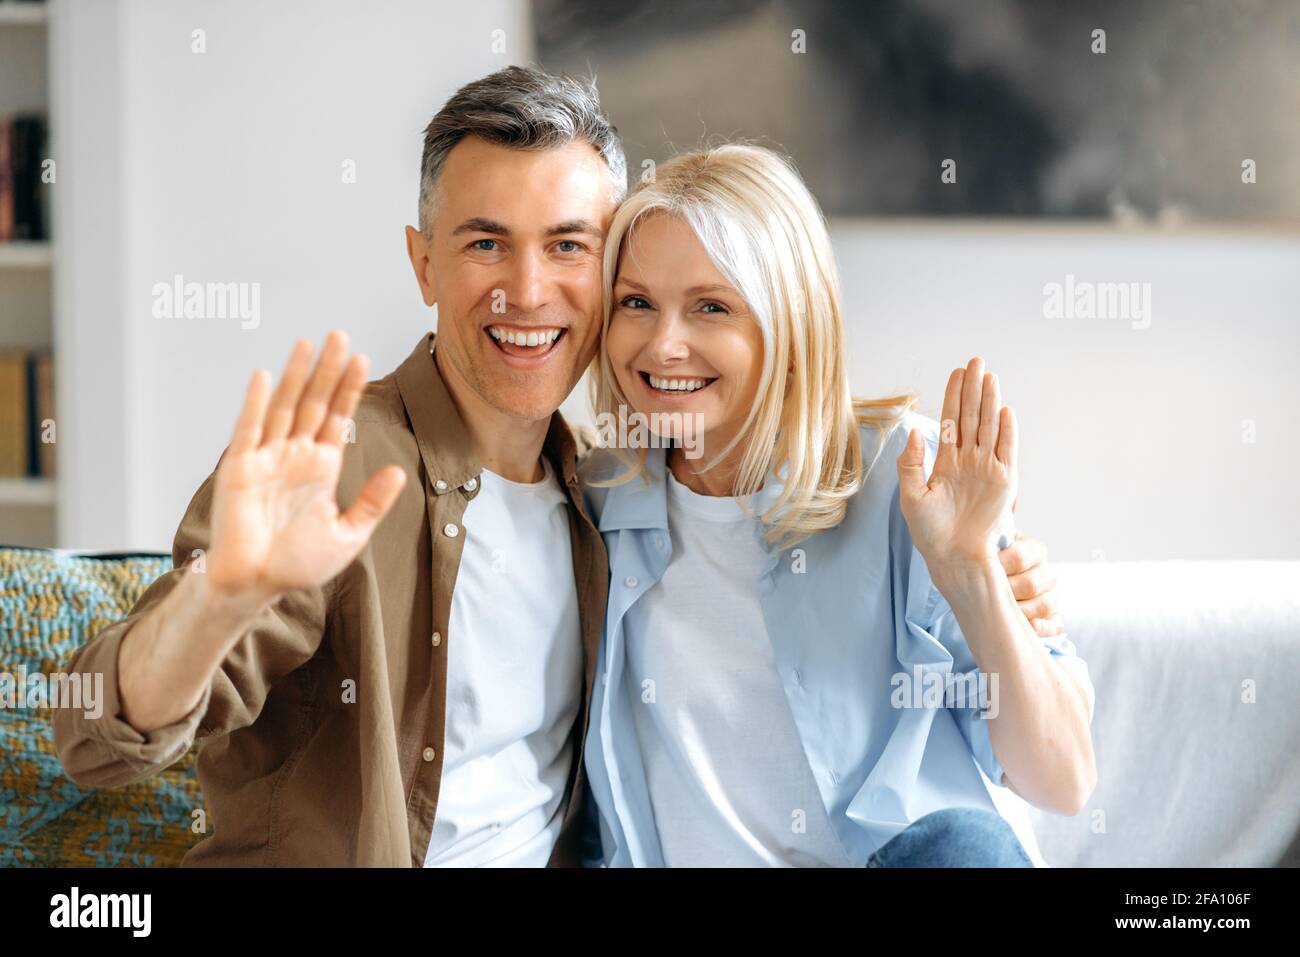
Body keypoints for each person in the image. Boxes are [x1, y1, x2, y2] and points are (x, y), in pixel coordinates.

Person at [52, 66, 1067, 868]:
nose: (528, 291)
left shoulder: (608, 493)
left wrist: (979, 582)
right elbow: (90, 737)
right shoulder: (341, 462)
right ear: (422, 264)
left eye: (570, 246)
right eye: (486, 243)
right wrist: (217, 600)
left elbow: (1045, 769)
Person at [579, 143, 1096, 867]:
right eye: (637, 302)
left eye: (711, 307)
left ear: (790, 326)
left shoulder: (907, 476)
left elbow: (1063, 780)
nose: (664, 345)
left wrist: (972, 572)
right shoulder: (593, 502)